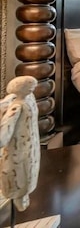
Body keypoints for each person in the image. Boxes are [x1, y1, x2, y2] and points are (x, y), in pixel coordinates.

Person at [0, 76, 40, 211]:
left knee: (21, 181)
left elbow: (2, 138)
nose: (33, 87)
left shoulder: (20, 104)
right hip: (26, 153)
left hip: (21, 154)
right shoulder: (27, 101)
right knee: (20, 181)